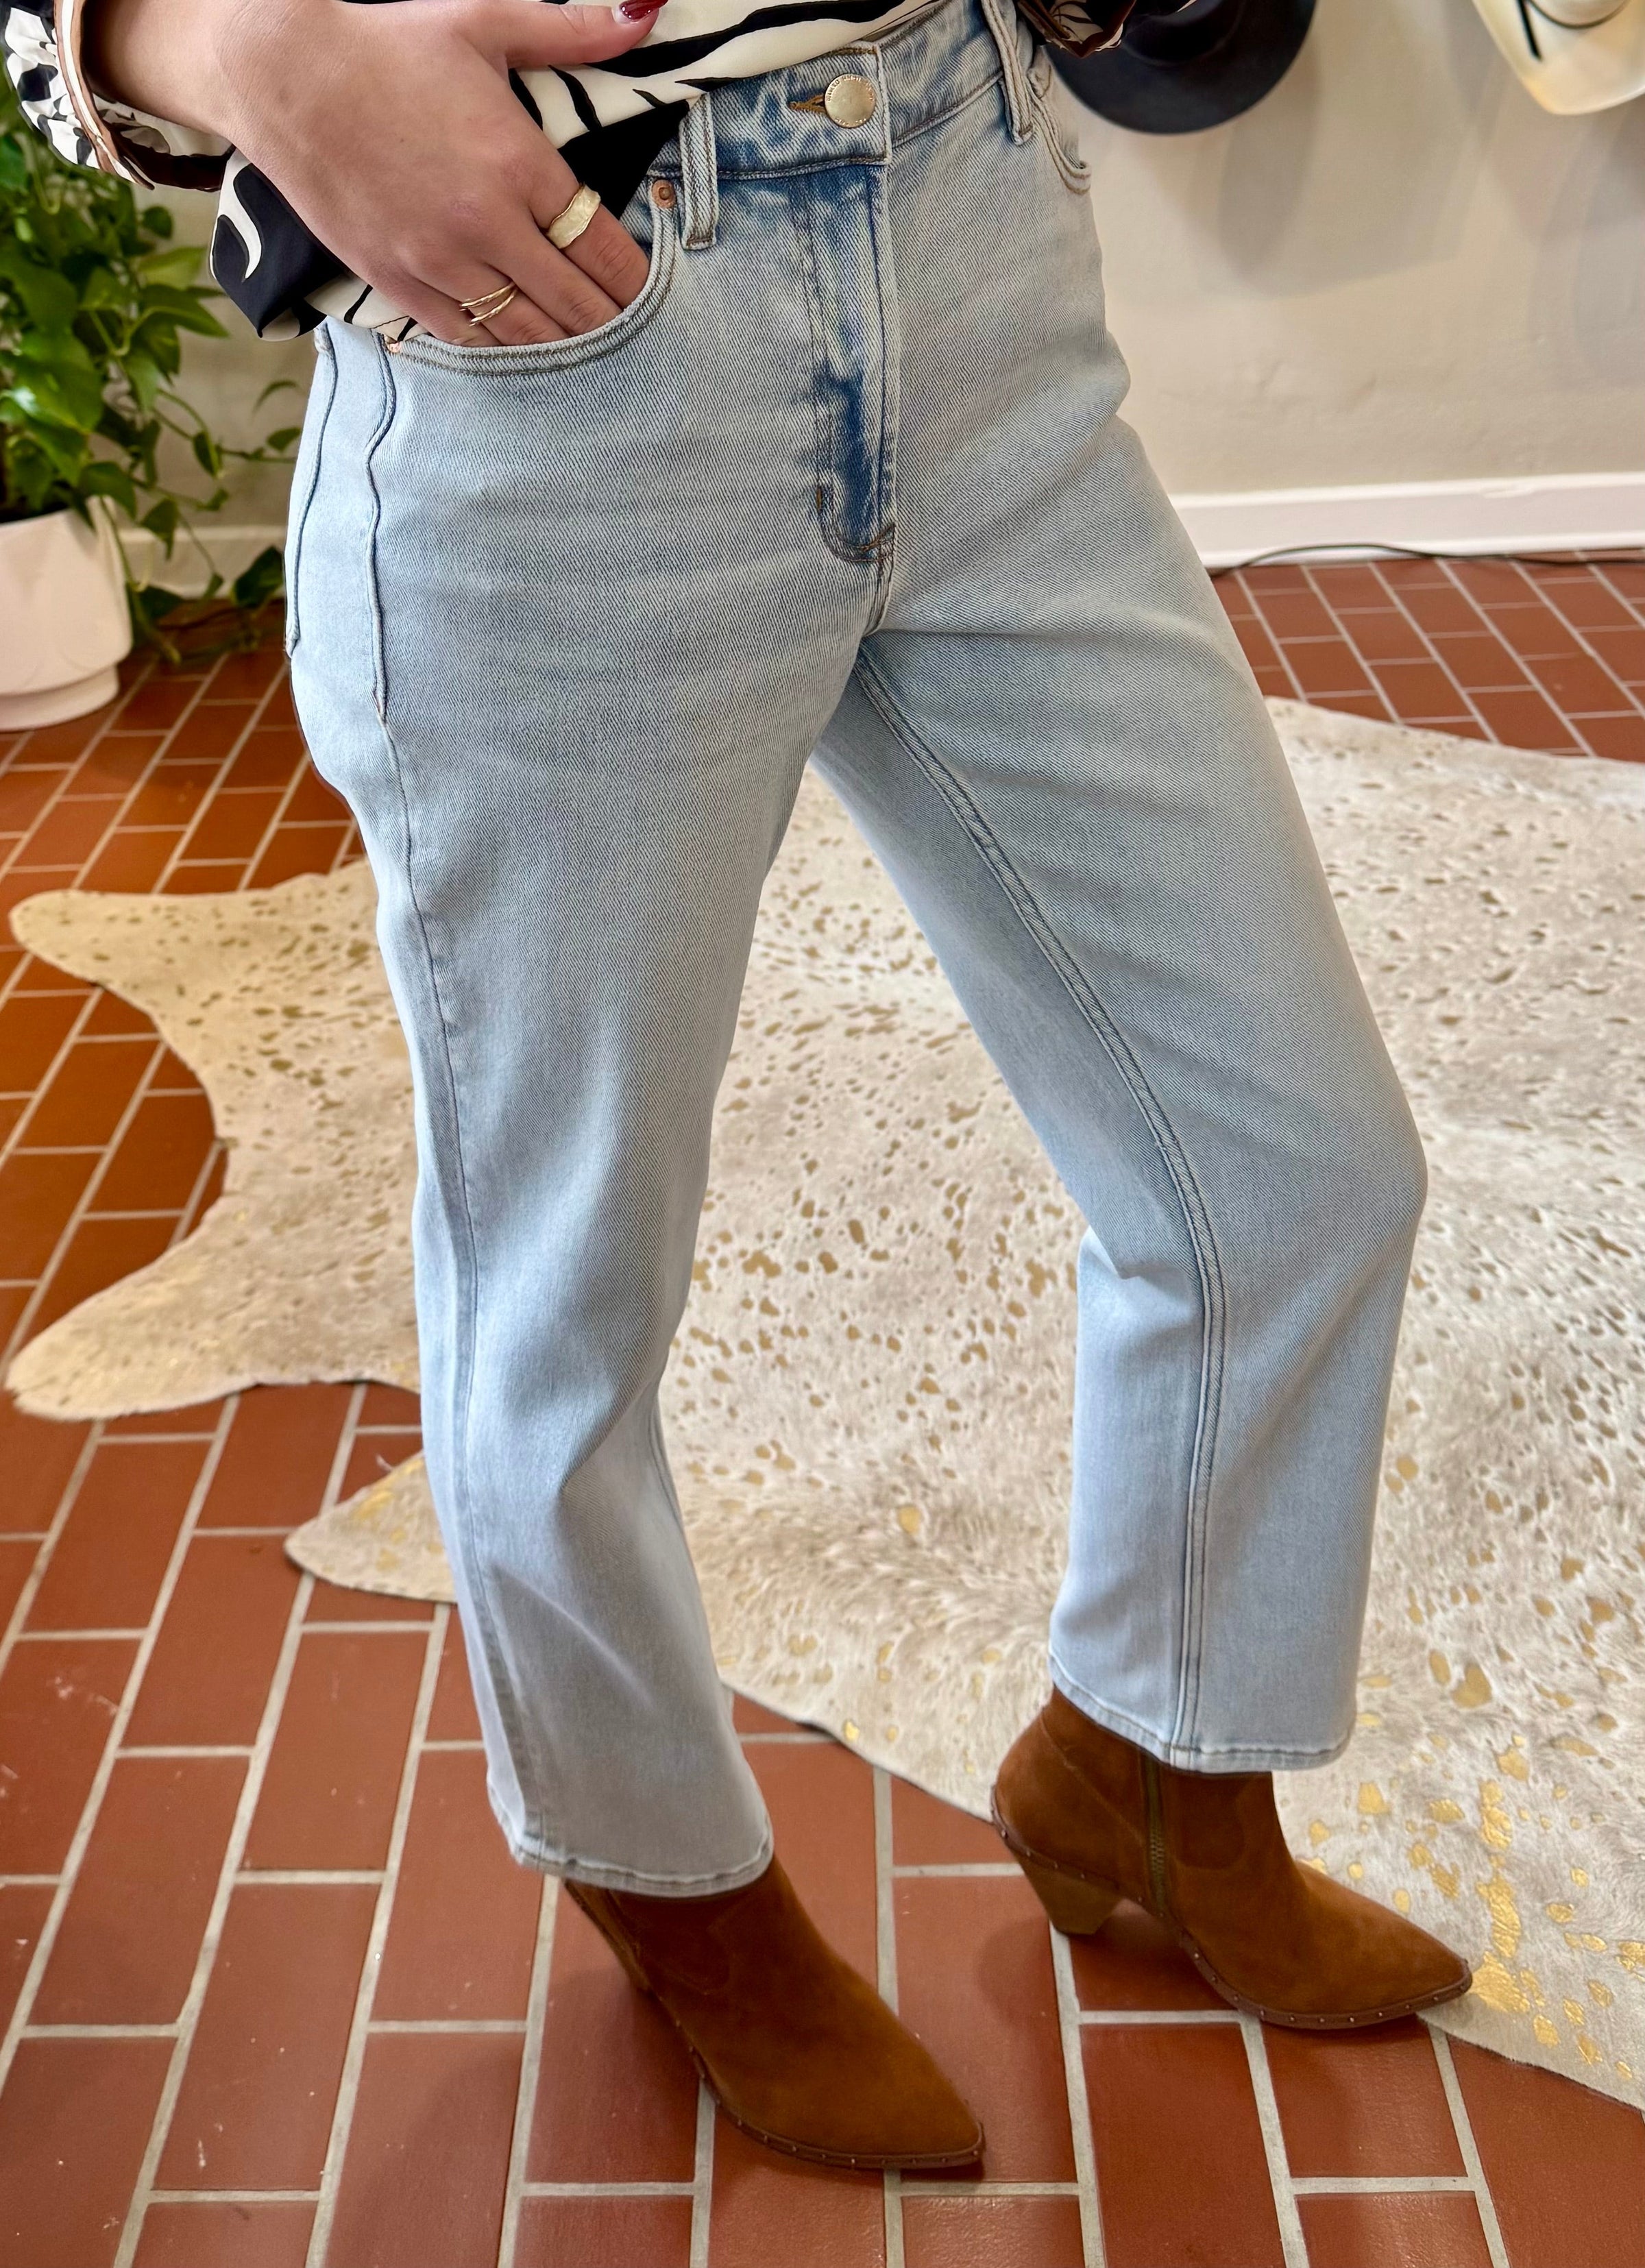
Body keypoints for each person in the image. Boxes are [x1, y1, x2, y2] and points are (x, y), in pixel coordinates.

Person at [8, 0, 1473, 2170]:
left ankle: (1160, 1777)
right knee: (566, 1289)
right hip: (559, 334)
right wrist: (208, 40)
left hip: (973, 238)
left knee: (1294, 1161)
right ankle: (660, 1868)